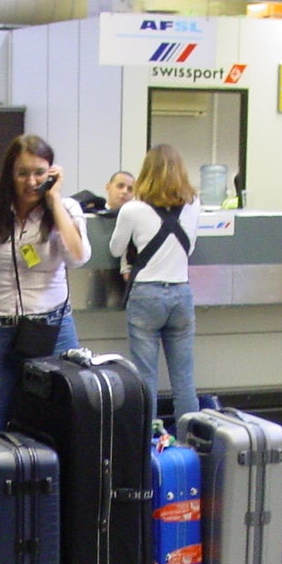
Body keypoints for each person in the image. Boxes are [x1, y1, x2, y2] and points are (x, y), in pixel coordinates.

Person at [0, 134, 89, 434]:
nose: (31, 181)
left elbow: (77, 257)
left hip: (52, 329)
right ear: (10, 175)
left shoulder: (67, 209)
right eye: (23, 173)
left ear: (51, 174)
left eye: (39, 173)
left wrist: (55, 201)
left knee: (62, 427)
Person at [108, 145, 201, 421]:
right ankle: (191, 444)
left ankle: (146, 444)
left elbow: (115, 249)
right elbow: (190, 248)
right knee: (184, 378)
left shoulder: (132, 209)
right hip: (181, 293)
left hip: (147, 295)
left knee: (145, 377)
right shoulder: (194, 204)